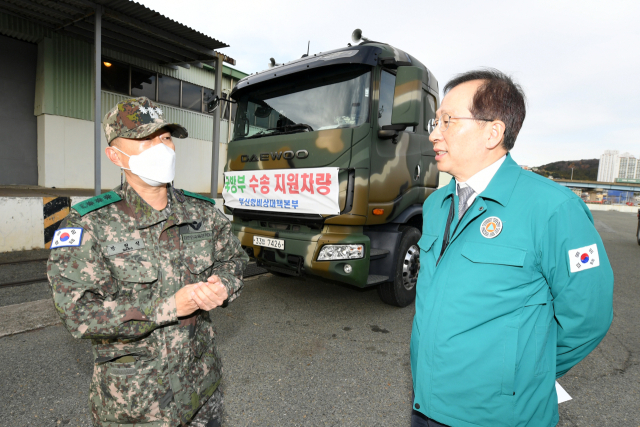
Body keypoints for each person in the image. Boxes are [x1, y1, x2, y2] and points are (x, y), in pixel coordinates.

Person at [410, 70, 614, 427]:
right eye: (435, 120)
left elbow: (587, 318)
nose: (434, 133)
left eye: (448, 121)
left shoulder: (553, 208)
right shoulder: (436, 204)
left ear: (493, 132)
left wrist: (524, 372)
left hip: (501, 417)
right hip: (426, 405)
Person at [47, 96, 249, 427]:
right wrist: (167, 307)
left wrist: (222, 285)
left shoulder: (201, 212)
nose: (161, 148)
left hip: (201, 388)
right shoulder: (87, 225)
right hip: (136, 405)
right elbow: (78, 314)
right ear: (115, 156)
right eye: (145, 139)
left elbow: (234, 261)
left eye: (165, 137)